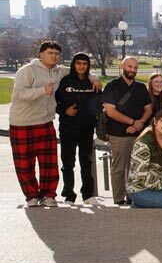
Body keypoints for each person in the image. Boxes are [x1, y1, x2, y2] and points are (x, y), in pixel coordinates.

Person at [11, 41, 100, 207]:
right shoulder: (27, 71)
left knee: (49, 162)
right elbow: (18, 94)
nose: (54, 56)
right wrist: (42, 91)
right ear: (41, 54)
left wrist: (94, 77)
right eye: (50, 52)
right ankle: (31, 195)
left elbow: (81, 70)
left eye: (57, 53)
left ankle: (48, 195)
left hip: (45, 121)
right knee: (25, 163)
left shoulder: (59, 71)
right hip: (23, 122)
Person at [102, 56, 152, 205]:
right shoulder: (112, 86)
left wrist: (140, 123)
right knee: (118, 168)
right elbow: (111, 112)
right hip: (117, 134)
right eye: (130, 67)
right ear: (122, 66)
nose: (132, 70)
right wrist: (132, 122)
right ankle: (118, 199)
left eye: (135, 68)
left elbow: (148, 109)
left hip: (138, 133)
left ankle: (133, 197)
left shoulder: (141, 87)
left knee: (135, 167)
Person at [54, 52, 100, 205]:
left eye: (85, 64)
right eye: (78, 63)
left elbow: (99, 104)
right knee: (68, 163)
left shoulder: (93, 83)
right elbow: (55, 103)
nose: (81, 66)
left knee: (86, 162)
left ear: (88, 66)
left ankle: (88, 195)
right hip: (68, 129)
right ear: (73, 65)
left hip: (86, 129)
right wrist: (64, 110)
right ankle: (69, 194)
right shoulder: (65, 81)